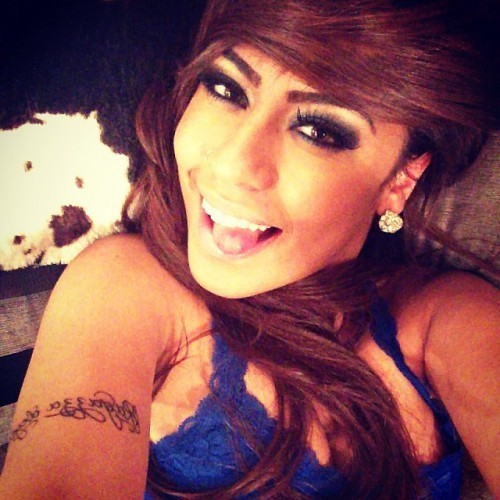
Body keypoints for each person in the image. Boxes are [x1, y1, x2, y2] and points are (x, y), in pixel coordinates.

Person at [0, 0, 498, 498]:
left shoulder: (448, 318)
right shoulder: (123, 288)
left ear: (400, 179)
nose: (232, 164)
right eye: (226, 89)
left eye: (319, 131)